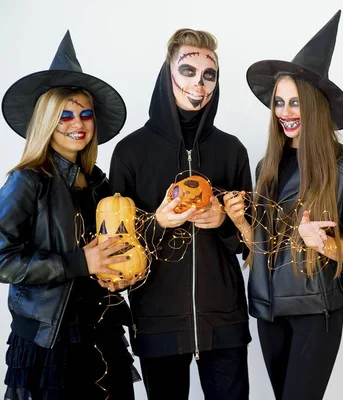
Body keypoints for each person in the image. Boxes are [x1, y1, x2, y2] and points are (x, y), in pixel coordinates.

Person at [223, 10, 343, 400]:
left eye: (296, 102)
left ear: (316, 105)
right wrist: (242, 225)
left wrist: (325, 245)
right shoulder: (265, 165)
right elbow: (265, 243)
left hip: (314, 307)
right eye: (279, 102)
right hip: (268, 307)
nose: (286, 113)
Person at [109, 28, 252, 400]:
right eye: (188, 71)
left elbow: (248, 244)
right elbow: (116, 246)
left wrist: (223, 223)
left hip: (224, 318)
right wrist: (158, 222)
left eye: (209, 75)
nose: (199, 84)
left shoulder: (232, 150)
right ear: (167, 73)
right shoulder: (130, 152)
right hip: (158, 319)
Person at [0, 31, 139, 399]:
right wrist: (79, 262)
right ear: (47, 120)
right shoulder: (27, 181)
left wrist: (116, 274)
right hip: (51, 342)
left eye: (85, 113)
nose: (77, 122)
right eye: (64, 114)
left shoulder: (99, 183)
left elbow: (115, 247)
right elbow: (2, 259)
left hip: (104, 330)